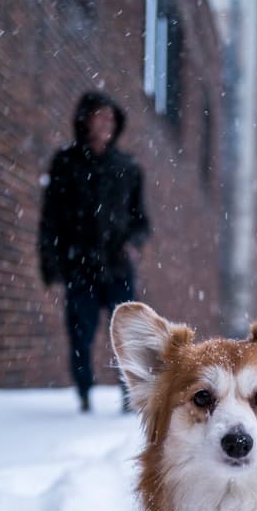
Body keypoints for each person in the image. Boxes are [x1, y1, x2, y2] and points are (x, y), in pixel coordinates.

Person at [39, 91, 151, 413]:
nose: (106, 123)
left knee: (126, 334)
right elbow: (51, 219)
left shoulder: (128, 167)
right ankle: (84, 392)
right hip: (79, 265)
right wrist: (52, 264)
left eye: (111, 118)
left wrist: (132, 243)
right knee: (80, 333)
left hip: (118, 266)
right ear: (85, 120)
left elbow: (141, 220)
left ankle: (129, 395)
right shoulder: (66, 164)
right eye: (100, 116)